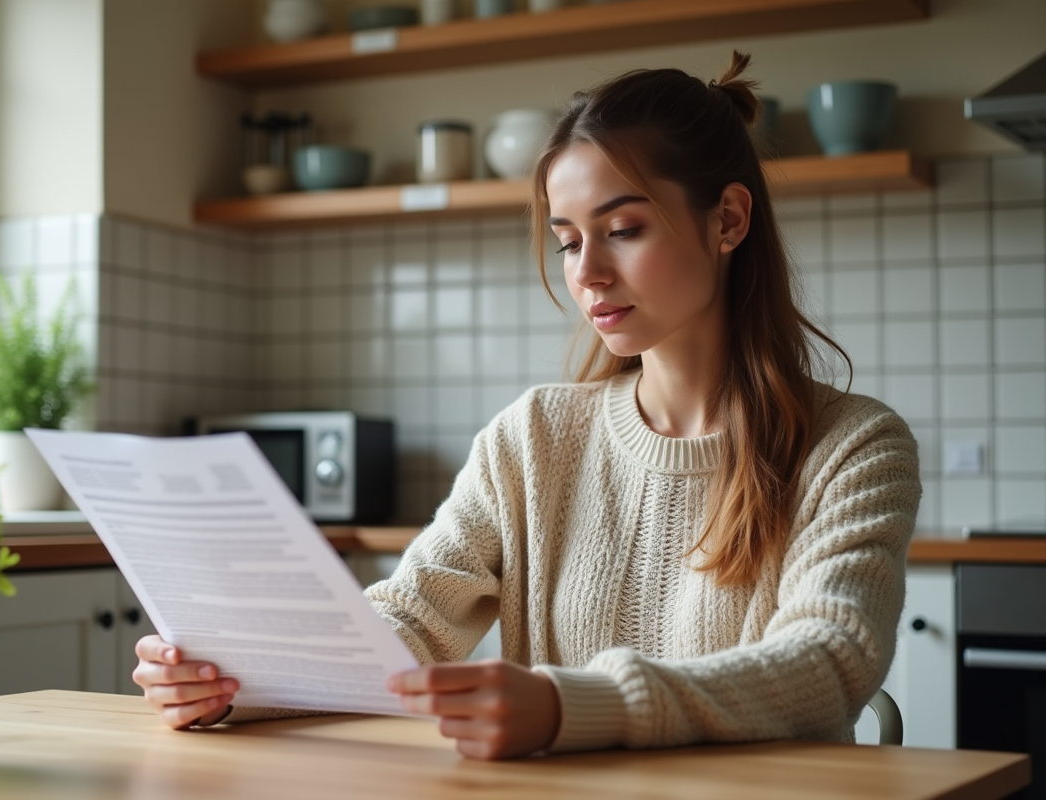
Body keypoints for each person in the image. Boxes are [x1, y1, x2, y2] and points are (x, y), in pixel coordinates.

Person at [133, 51, 921, 760]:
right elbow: (412, 621)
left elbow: (829, 661)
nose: (588, 273)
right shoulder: (534, 437)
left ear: (730, 220)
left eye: (623, 229)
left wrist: (571, 707)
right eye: (569, 241)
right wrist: (235, 679)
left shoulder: (854, 445)